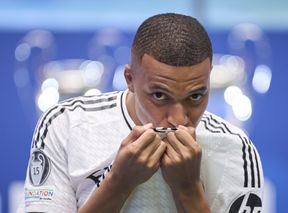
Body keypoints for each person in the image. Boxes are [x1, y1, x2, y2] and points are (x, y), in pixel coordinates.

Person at [20, 13, 263, 213]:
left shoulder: (236, 148)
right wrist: (118, 183)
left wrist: (188, 190)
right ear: (130, 79)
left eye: (195, 96)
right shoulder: (64, 124)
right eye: (159, 96)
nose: (178, 119)